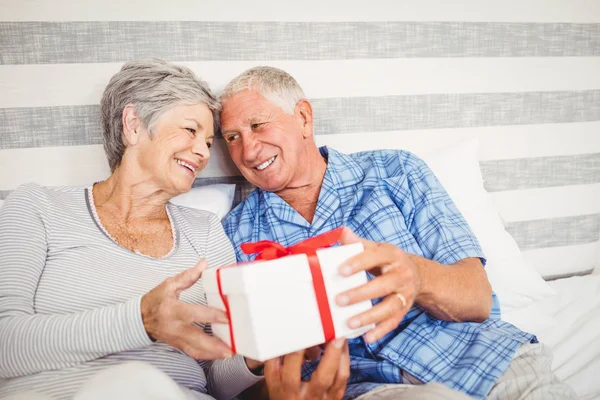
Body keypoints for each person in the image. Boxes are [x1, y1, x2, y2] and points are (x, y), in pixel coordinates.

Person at [219, 66, 578, 400]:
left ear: (303, 118)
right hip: (365, 387)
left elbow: (478, 298)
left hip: (487, 358)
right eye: (232, 137)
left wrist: (415, 276)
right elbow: (237, 376)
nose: (247, 150)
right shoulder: (235, 234)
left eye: (259, 125)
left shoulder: (396, 171)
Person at [0, 59, 348, 400]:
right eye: (190, 130)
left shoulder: (207, 233)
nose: (202, 151)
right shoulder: (37, 208)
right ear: (133, 124)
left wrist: (258, 351)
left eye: (210, 142)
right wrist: (141, 320)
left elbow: (217, 379)